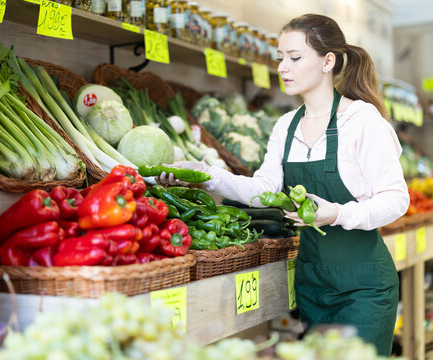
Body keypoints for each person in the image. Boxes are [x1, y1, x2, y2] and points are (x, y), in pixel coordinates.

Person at [158, 14, 409, 356]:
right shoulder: (286, 127)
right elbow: (263, 191)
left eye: (295, 57)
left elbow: (396, 199)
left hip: (363, 288)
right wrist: (205, 174)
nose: (283, 68)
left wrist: (336, 213)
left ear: (327, 61)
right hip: (312, 284)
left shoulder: (361, 120)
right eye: (280, 58)